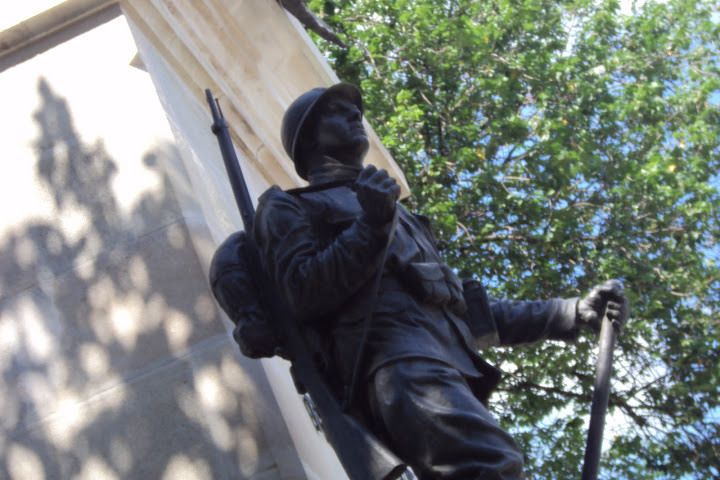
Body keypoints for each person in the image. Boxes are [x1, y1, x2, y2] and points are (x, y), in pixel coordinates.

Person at [248, 83, 629, 480]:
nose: (355, 115)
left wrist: (570, 312)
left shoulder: (404, 217)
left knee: (490, 466)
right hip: (394, 364)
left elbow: (463, 313)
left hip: (443, 367)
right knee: (491, 464)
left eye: (354, 109)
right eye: (335, 111)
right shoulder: (291, 206)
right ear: (309, 139)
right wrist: (371, 225)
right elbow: (302, 291)